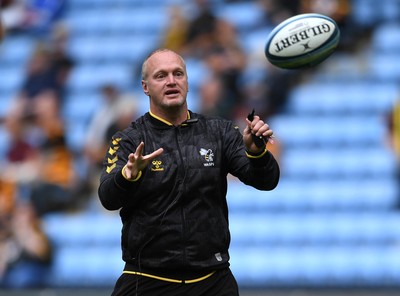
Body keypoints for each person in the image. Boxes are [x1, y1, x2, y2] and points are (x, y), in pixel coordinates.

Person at [98, 48, 280, 296]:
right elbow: (108, 198)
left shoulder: (220, 132)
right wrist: (127, 177)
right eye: (161, 76)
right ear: (145, 87)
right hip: (148, 279)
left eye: (178, 74)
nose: (171, 81)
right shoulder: (129, 140)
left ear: (187, 81)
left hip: (212, 279)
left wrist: (256, 153)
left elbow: (266, 181)